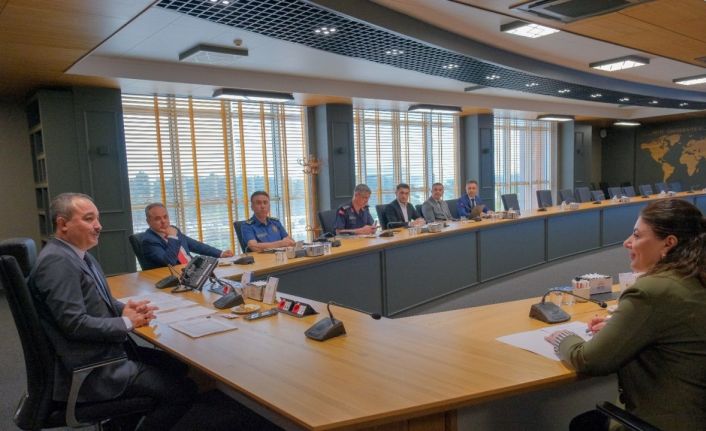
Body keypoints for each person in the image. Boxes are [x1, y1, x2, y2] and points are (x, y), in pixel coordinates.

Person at [29, 193, 197, 430]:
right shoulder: (57, 262)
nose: (98, 226)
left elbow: (97, 299)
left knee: (177, 365)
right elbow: (75, 324)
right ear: (63, 223)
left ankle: (118, 426)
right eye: (89, 219)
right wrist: (127, 323)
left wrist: (125, 308)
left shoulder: (76, 255)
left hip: (104, 351)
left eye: (97, 219)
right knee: (183, 391)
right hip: (94, 368)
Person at [545, 199, 706, 431]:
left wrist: (562, 337)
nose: (627, 242)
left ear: (668, 243)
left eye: (637, 236)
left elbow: (590, 360)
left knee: (583, 425)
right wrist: (621, 327)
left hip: (666, 422)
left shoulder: (652, 290)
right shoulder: (694, 277)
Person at [140, 202, 233, 270]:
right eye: (157, 219)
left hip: (193, 270)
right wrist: (172, 237)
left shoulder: (173, 229)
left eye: (165, 217)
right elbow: (169, 262)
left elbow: (196, 245)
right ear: (148, 222)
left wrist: (220, 253)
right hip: (175, 276)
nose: (163, 221)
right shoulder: (149, 241)